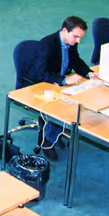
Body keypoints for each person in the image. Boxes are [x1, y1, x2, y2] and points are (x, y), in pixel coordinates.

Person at [37, 16, 97, 161]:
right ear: (65, 30)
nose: (78, 41)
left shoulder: (71, 42)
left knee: (79, 97)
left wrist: (88, 73)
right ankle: (47, 142)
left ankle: (56, 131)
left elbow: (76, 61)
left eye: (80, 38)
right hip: (44, 83)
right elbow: (40, 73)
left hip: (60, 81)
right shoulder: (47, 44)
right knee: (63, 104)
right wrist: (64, 80)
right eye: (76, 37)